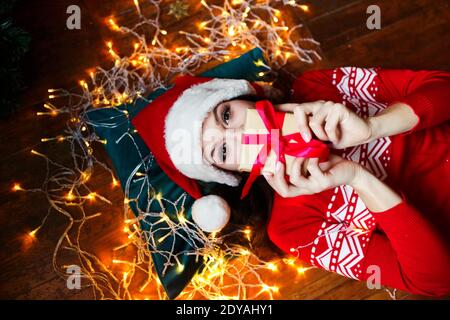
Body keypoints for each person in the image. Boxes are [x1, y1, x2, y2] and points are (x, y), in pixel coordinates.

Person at [133, 67, 450, 297]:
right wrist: (357, 177)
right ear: (231, 173)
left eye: (226, 116)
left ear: (239, 97)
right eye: (224, 149)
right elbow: (436, 279)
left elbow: (441, 85)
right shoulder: (289, 226)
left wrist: (373, 127)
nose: (243, 134)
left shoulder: (316, 87)